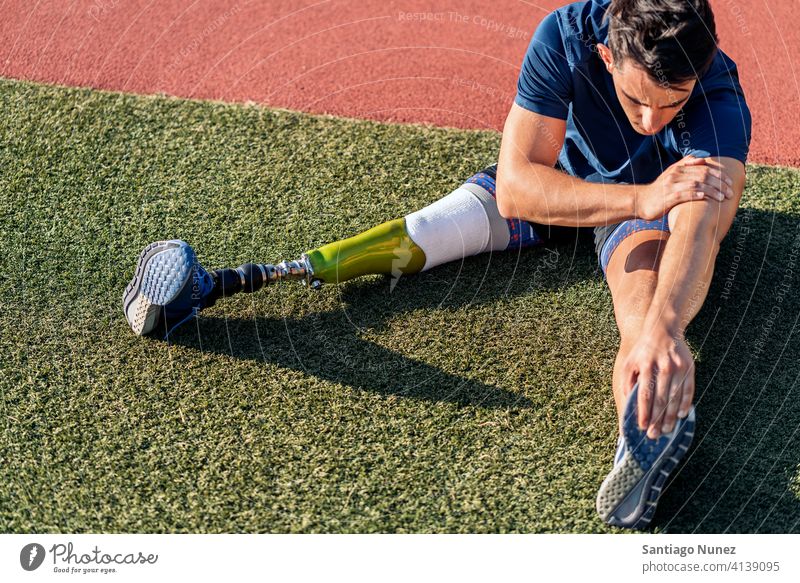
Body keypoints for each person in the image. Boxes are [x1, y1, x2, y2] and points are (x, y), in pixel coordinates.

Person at [122, 0, 751, 529]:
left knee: (641, 322)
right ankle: (219, 288)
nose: (650, 121)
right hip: (576, 191)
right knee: (423, 232)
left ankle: (638, 446)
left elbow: (699, 230)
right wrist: (639, 194)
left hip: (640, 217)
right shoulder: (566, 33)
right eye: (637, 101)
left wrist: (666, 326)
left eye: (671, 106)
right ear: (608, 56)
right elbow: (516, 188)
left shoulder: (719, 99)